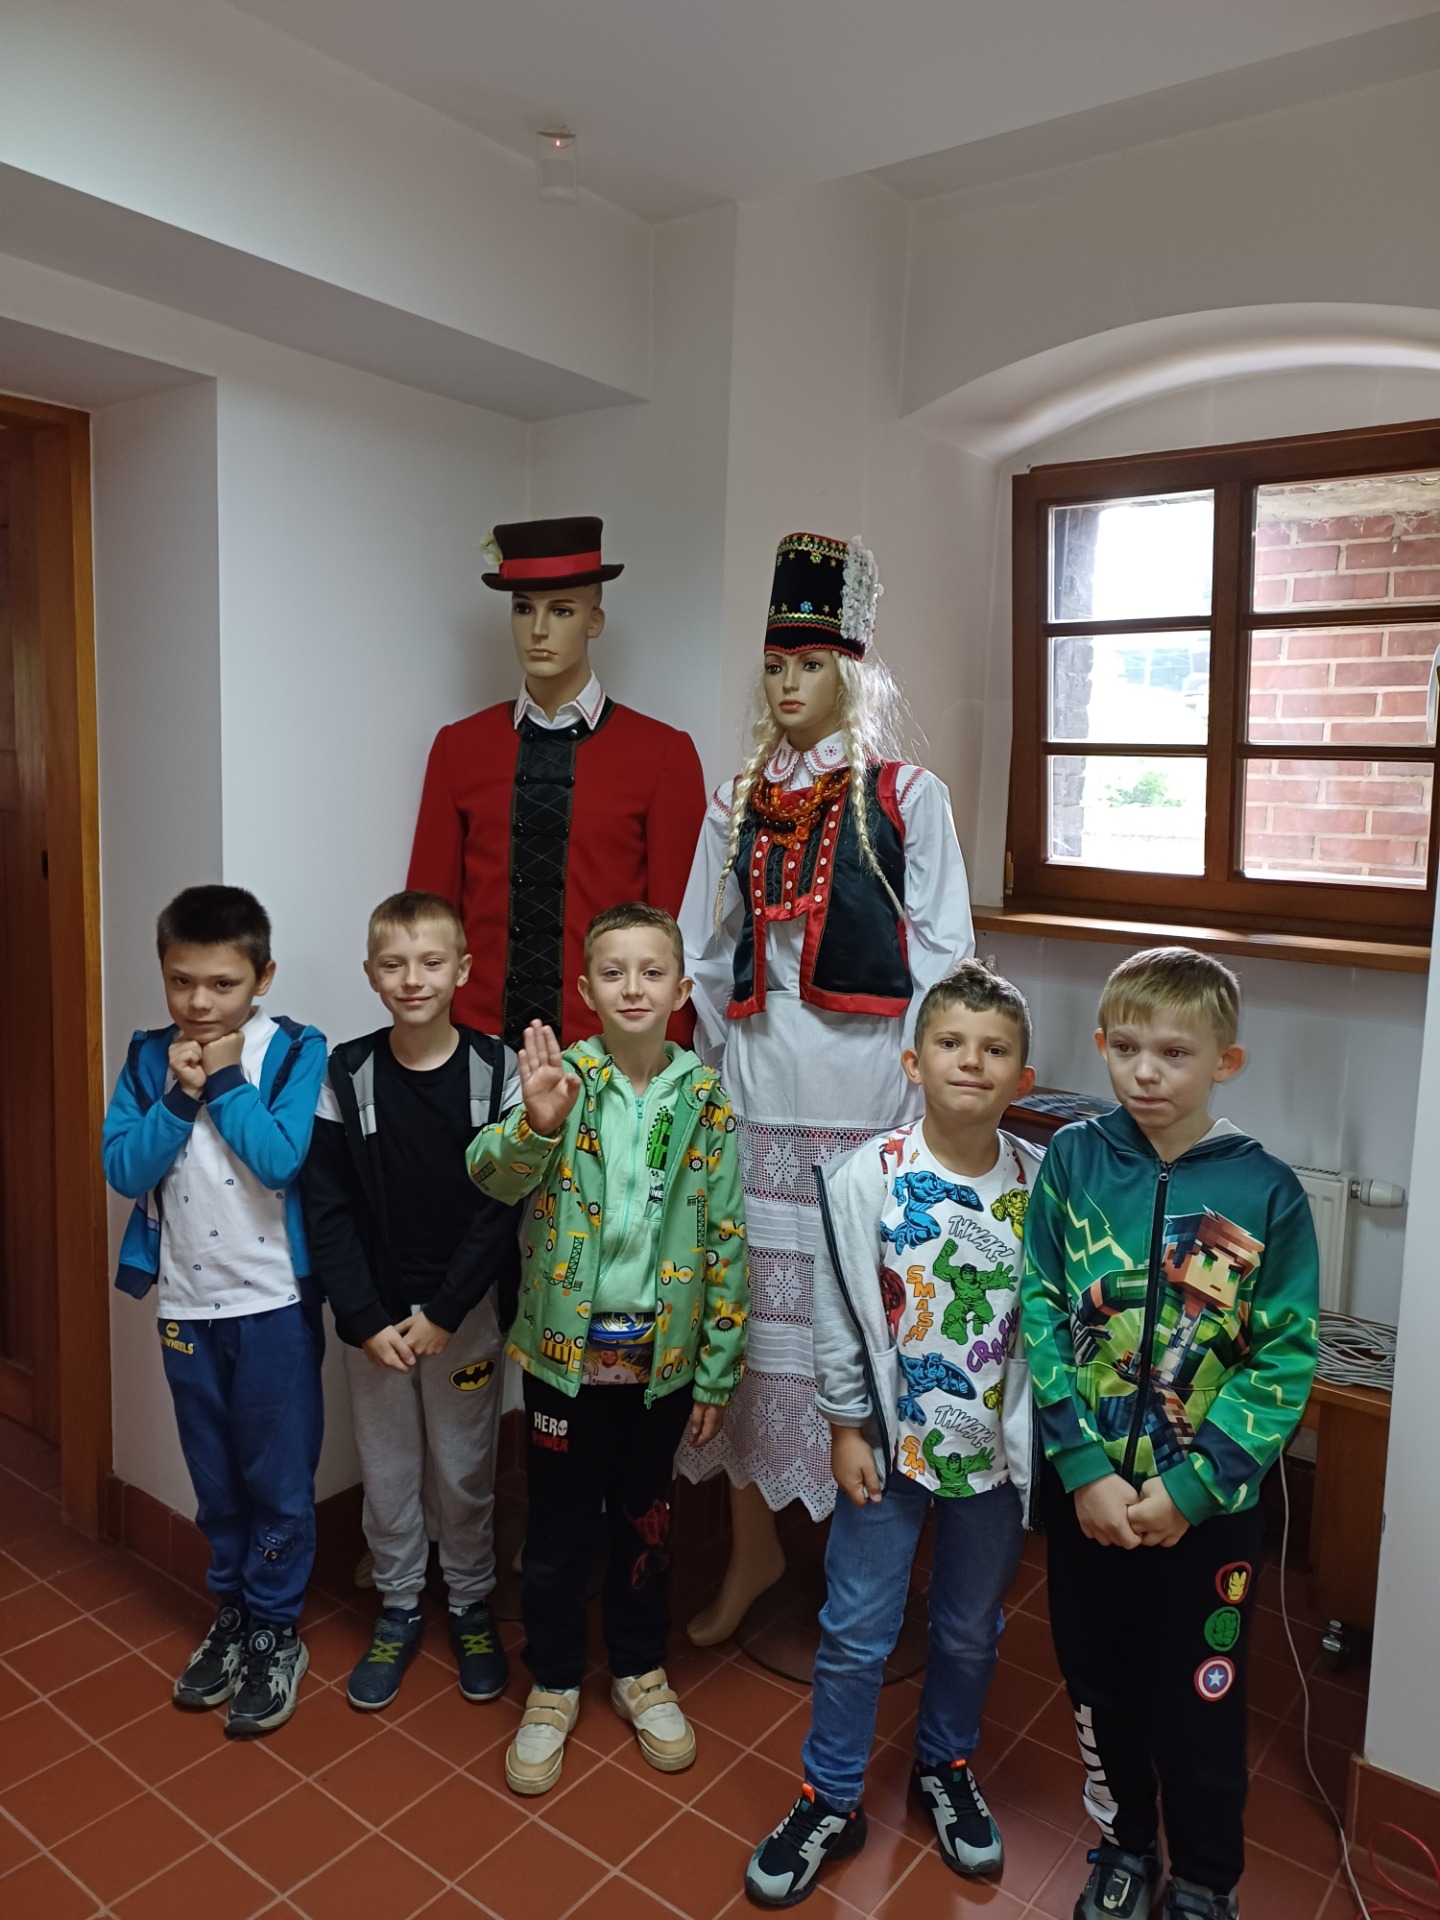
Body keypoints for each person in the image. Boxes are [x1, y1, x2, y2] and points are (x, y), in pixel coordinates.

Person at [676, 530, 974, 1645]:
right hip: (758, 1099)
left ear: (850, 669)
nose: (788, 684)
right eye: (774, 665)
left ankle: (869, 1575)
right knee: (753, 1333)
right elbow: (706, 952)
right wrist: (723, 1070)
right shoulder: (737, 800)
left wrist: (920, 1098)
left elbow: (945, 958)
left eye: (809, 664)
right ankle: (752, 1550)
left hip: (868, 1107)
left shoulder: (906, 796)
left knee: (864, 1332)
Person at [1020, 947, 1319, 1920]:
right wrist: (1081, 1468)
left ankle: (1203, 1882)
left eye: (1175, 1053)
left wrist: (1192, 1488)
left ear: (1225, 1063)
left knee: (1199, 1702)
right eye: (1126, 1048)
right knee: (1098, 1688)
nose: (1146, 1072)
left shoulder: (1267, 1192)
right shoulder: (1073, 1160)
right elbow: (1041, 1308)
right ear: (1103, 1045)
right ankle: (1124, 1847)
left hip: (1208, 1517)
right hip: (1088, 1499)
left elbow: (1283, 1361)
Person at [744, 963, 1040, 1906]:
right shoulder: (864, 1178)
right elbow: (837, 1314)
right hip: (886, 1448)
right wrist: (844, 1425)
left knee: (968, 1628)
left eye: (994, 1050)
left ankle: (945, 1766)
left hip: (993, 1462)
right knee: (856, 1629)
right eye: (951, 1043)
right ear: (913, 1062)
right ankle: (829, 1796)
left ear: (1023, 1078)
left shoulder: (1042, 1188)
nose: (971, 1062)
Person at [466, 903, 749, 1797]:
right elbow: (489, 1175)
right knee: (555, 1531)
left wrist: (716, 1371)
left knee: (644, 1522)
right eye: (614, 972)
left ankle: (637, 1668)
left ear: (682, 988)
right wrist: (536, 1124)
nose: (634, 987)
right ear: (586, 990)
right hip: (564, 1364)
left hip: (660, 1367)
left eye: (652, 971)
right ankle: (553, 1681)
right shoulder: (561, 1077)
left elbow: (727, 1239)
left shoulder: (706, 1099)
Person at [101, 885, 328, 1738]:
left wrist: (224, 1079)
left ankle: (276, 1628)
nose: (199, 1002)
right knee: (217, 1482)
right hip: (186, 1310)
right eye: (181, 981)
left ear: (262, 977)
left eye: (223, 984)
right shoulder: (146, 1057)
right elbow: (124, 1169)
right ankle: (232, 1612)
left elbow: (280, 1159)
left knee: (277, 1481)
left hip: (272, 1307)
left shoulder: (294, 1049)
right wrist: (176, 1097)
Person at [303, 891, 521, 1712]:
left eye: (431, 962)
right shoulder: (346, 1073)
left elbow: (503, 1208)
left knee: (463, 1469)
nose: (412, 979)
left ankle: (468, 1600)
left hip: (463, 1318)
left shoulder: (497, 1071)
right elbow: (325, 1208)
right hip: (378, 1326)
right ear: (370, 974)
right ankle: (398, 1602)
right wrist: (363, 1319)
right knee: (389, 1468)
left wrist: (447, 1312)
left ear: (462, 969)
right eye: (393, 964)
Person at [408, 515, 706, 1047]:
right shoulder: (459, 748)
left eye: (561, 610)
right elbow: (425, 922)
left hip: (610, 1057)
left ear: (595, 620)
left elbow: (679, 936)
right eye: (523, 608)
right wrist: (427, 1054)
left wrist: (669, 1063)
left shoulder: (662, 754)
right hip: (475, 1051)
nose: (538, 630)